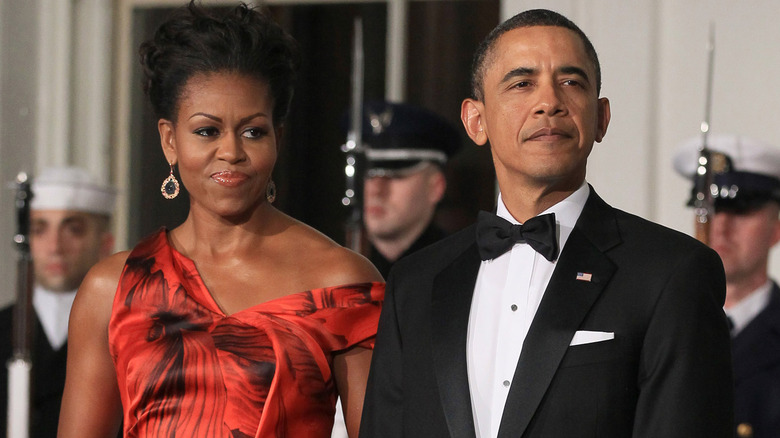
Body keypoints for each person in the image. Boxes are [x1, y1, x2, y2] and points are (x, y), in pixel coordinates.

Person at [360, 8, 733, 438]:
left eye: (571, 82)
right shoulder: (415, 282)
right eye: (522, 83)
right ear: (475, 121)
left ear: (601, 117)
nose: (549, 102)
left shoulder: (672, 273)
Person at [57, 3, 383, 437]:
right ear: (170, 140)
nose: (231, 151)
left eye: (253, 131)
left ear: (277, 138)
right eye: (207, 131)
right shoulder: (110, 290)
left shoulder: (343, 283)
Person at [674, 134, 780, 438]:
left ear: (776, 229)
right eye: (709, 209)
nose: (720, 226)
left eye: (741, 211)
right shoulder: (659, 324)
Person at [0, 166, 115, 438]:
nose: (54, 246)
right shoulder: (3, 327)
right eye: (40, 230)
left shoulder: (127, 332)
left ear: (105, 243)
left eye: (73, 230)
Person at [360, 100, 461, 278]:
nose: (376, 190)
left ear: (436, 187)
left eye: (395, 176)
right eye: (370, 174)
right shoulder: (339, 267)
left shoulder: (459, 271)